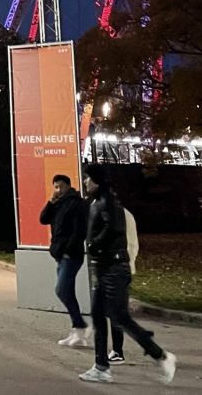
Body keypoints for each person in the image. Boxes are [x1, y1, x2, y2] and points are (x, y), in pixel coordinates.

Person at [78, 163, 176, 385]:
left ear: (97, 180)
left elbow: (115, 228)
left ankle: (161, 356)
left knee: (120, 317)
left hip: (114, 269)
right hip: (104, 267)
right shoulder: (98, 201)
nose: (85, 182)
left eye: (88, 178)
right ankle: (101, 367)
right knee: (98, 317)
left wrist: (93, 245)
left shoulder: (108, 202)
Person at [39, 173, 89, 347]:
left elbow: (79, 230)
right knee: (68, 292)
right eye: (56, 187)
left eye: (61, 186)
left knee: (61, 290)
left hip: (71, 255)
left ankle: (80, 326)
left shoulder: (76, 203)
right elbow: (43, 219)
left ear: (69, 186)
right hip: (60, 254)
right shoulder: (58, 203)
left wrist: (68, 250)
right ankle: (78, 332)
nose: (58, 190)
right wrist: (51, 202)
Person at [108, 205, 139, 364]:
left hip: (118, 268)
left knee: (116, 311)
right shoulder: (123, 214)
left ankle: (118, 351)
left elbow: (130, 244)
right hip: (119, 267)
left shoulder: (117, 215)